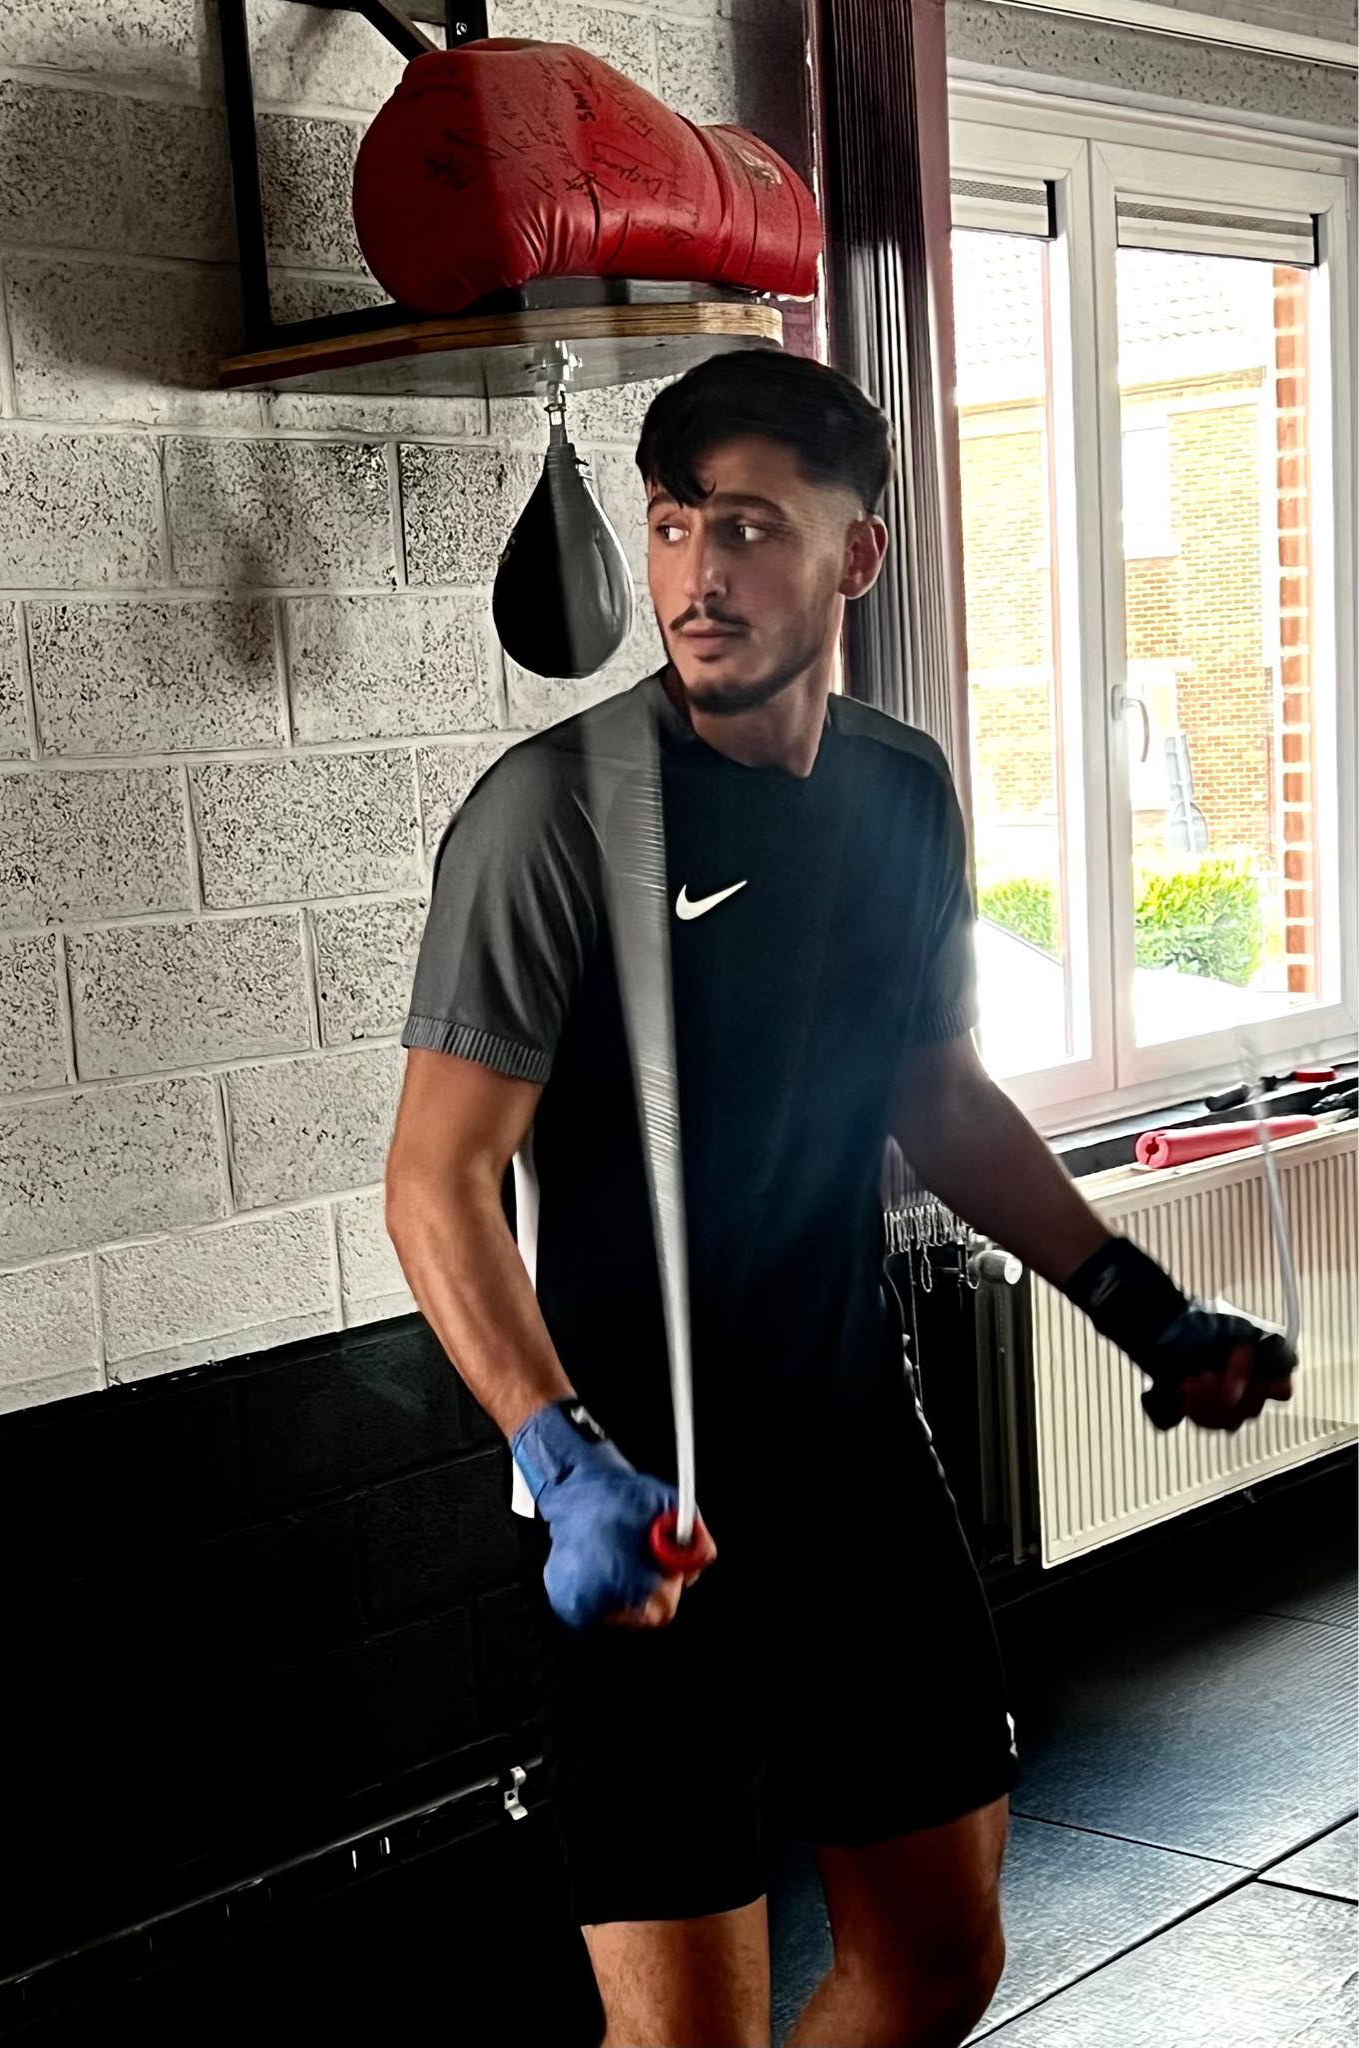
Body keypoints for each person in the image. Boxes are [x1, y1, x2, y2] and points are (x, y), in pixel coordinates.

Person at [384, 349, 1295, 2048]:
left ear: (854, 554)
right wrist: (561, 1464)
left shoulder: (900, 790)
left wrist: (1146, 1311)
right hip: (634, 1502)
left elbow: (935, 1094)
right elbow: (435, 1178)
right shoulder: (554, 816)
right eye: (672, 527)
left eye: (746, 528)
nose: (696, 576)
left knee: (940, 1963)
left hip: (854, 1456)